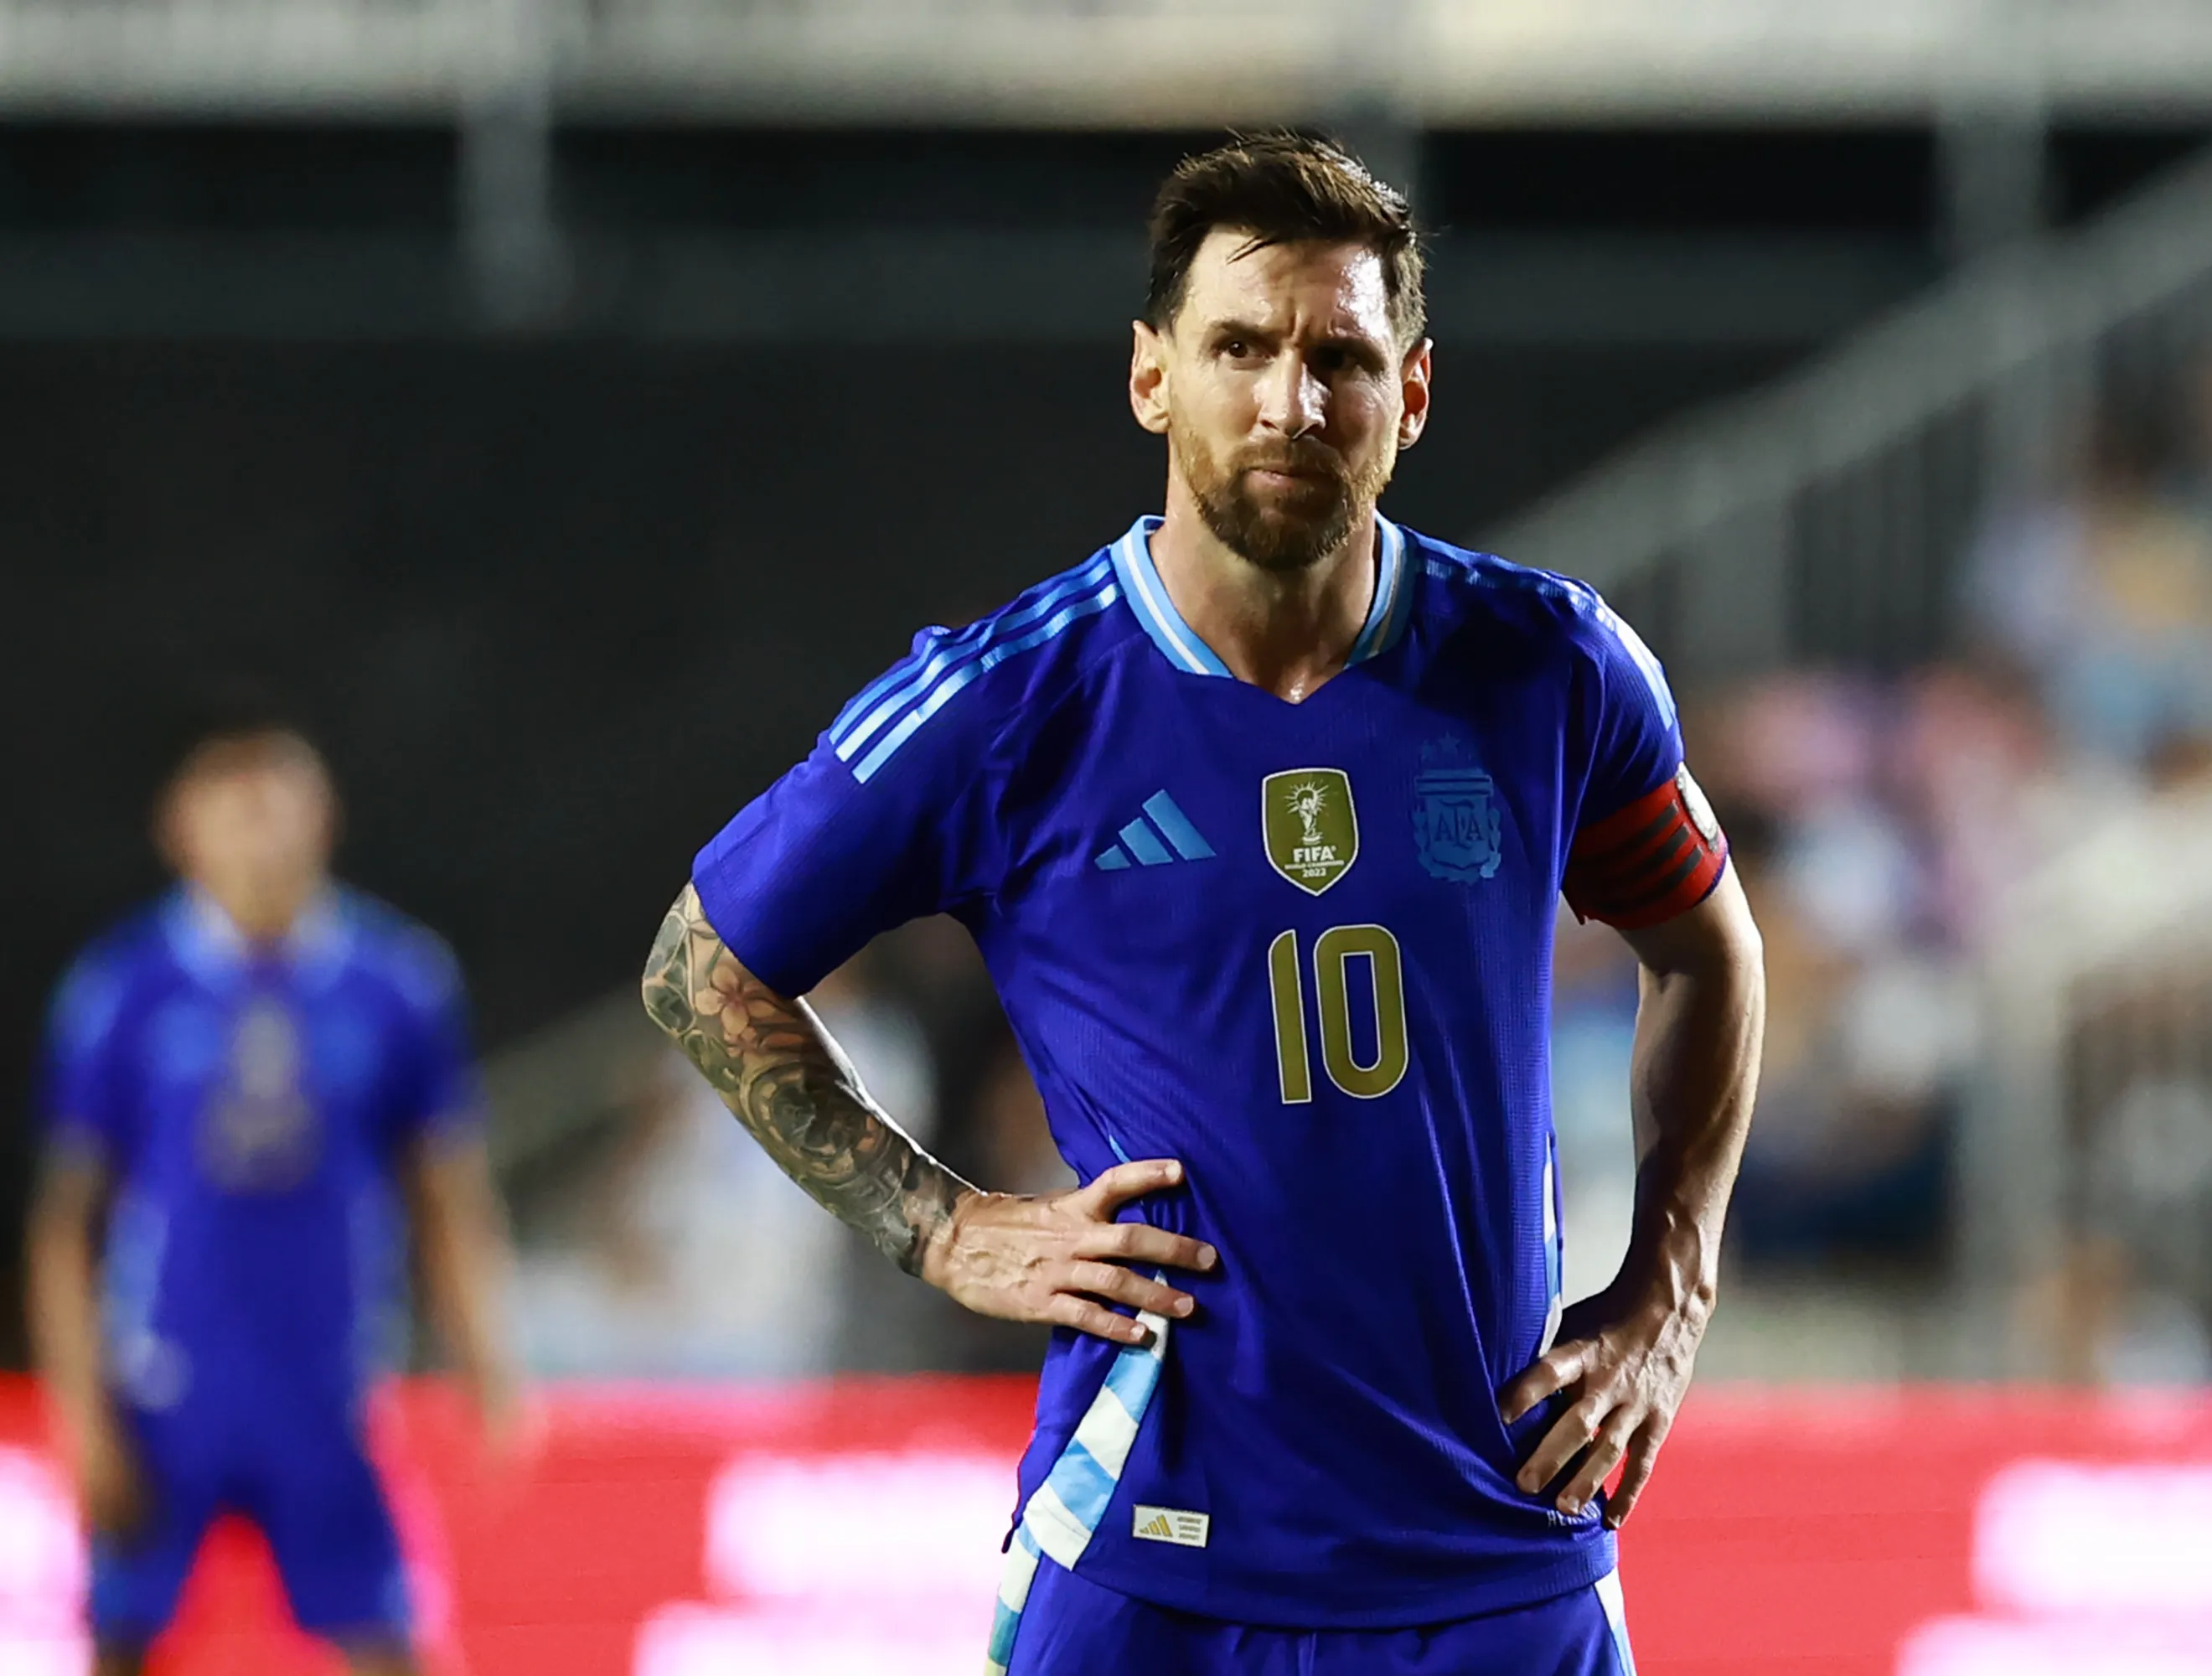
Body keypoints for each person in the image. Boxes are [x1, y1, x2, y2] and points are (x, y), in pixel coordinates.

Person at [643, 134, 1765, 1675]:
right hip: (1151, 1565)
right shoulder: (1010, 702)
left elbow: (1707, 952)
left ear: (1411, 394)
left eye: (1340, 357)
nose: (1290, 401)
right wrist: (945, 1230)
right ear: (1151, 376)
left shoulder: (1550, 670)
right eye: (1239, 346)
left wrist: (1670, 1285)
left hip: (1501, 1553)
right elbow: (701, 966)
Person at [27, 707, 522, 1676]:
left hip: (327, 1385)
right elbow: (66, 1224)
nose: (259, 831)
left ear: (323, 817)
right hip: (168, 1388)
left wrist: (489, 1362)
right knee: (121, 1642)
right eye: (233, 806)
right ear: (181, 827)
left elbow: (445, 1192)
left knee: (392, 1643)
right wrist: (80, 1413)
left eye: (277, 803)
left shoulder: (395, 982)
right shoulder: (124, 987)